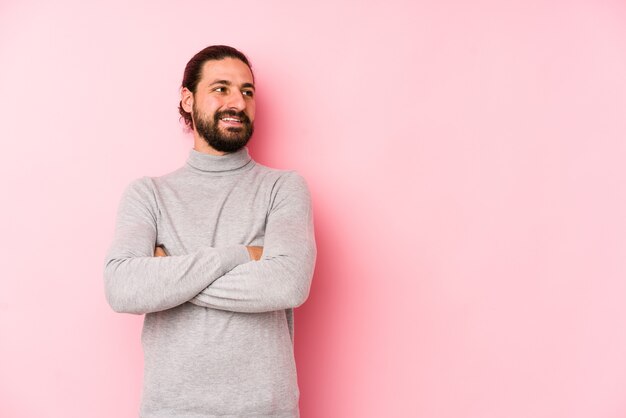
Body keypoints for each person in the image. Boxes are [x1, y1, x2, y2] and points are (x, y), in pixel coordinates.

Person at [104, 45, 317, 418]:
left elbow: (287, 283)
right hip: (170, 410)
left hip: (265, 410)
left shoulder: (282, 188)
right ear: (188, 100)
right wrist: (240, 255)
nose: (238, 101)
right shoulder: (149, 194)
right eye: (221, 88)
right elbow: (123, 288)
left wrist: (171, 277)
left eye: (247, 91)